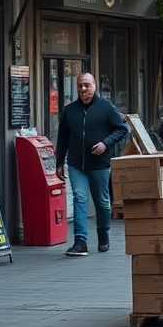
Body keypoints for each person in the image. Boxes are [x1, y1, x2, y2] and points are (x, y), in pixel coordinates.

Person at [55, 72, 128, 256]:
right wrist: (59, 162)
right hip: (76, 164)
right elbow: (63, 137)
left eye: (87, 85)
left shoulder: (106, 108)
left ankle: (103, 234)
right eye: (80, 85)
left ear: (94, 85)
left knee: (102, 203)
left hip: (100, 164)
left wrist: (105, 143)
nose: (83, 89)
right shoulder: (70, 110)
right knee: (79, 199)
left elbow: (121, 129)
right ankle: (80, 242)